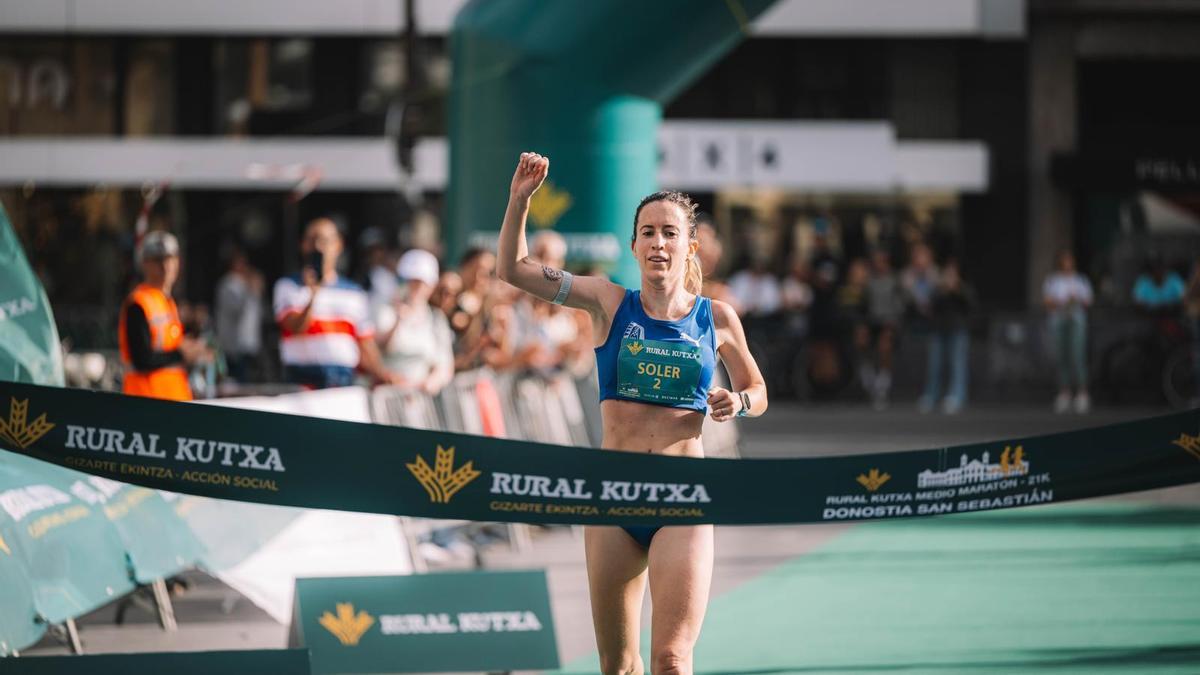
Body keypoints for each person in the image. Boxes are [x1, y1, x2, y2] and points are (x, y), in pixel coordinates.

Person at [498, 152, 767, 675]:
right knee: (618, 666)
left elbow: (757, 389)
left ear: (688, 246)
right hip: (611, 496)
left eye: (669, 233)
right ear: (634, 245)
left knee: (671, 659)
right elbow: (513, 269)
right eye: (648, 232)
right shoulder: (607, 301)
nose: (658, 243)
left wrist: (737, 402)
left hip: (682, 496)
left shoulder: (718, 318)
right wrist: (519, 201)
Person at [273, 217, 403, 389]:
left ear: (338, 245)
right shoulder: (288, 286)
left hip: (342, 383)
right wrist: (313, 295)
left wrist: (383, 374)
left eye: (325, 240)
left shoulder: (354, 293)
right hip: (302, 383)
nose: (319, 247)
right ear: (303, 245)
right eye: (312, 240)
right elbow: (295, 327)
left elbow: (365, 343)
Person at [118, 231, 211, 400]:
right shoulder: (139, 303)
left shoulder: (167, 301)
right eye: (158, 260)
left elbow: (168, 347)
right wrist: (182, 354)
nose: (165, 266)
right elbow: (141, 359)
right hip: (147, 400)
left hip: (173, 399)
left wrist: (192, 348)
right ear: (145, 264)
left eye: (170, 259)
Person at [374, 248, 455, 395]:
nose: (415, 287)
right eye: (411, 281)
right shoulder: (385, 311)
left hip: (420, 402)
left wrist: (430, 383)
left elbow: (445, 365)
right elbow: (380, 349)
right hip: (386, 398)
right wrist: (398, 321)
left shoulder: (436, 318)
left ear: (432, 285)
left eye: (421, 282)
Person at [920, 259, 976, 414]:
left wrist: (957, 290)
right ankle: (931, 395)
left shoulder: (964, 289)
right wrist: (943, 290)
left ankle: (957, 396)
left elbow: (970, 306)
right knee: (934, 364)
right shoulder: (938, 289)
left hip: (957, 330)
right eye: (947, 273)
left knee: (957, 364)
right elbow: (930, 306)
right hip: (938, 330)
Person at [1042, 250, 1093, 414]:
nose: (1067, 265)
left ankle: (1082, 393)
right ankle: (1064, 392)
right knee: (1061, 356)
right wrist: (1061, 302)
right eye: (1064, 261)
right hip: (1059, 321)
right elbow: (1048, 302)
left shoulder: (1080, 280)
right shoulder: (1053, 281)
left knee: (1077, 356)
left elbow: (1088, 301)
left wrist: (1076, 299)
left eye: (1069, 261)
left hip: (1076, 321)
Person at [214, 246, 264, 383]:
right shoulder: (227, 284)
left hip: (249, 343)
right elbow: (237, 310)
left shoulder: (244, 284)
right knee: (237, 382)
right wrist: (251, 288)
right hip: (234, 345)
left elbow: (256, 312)